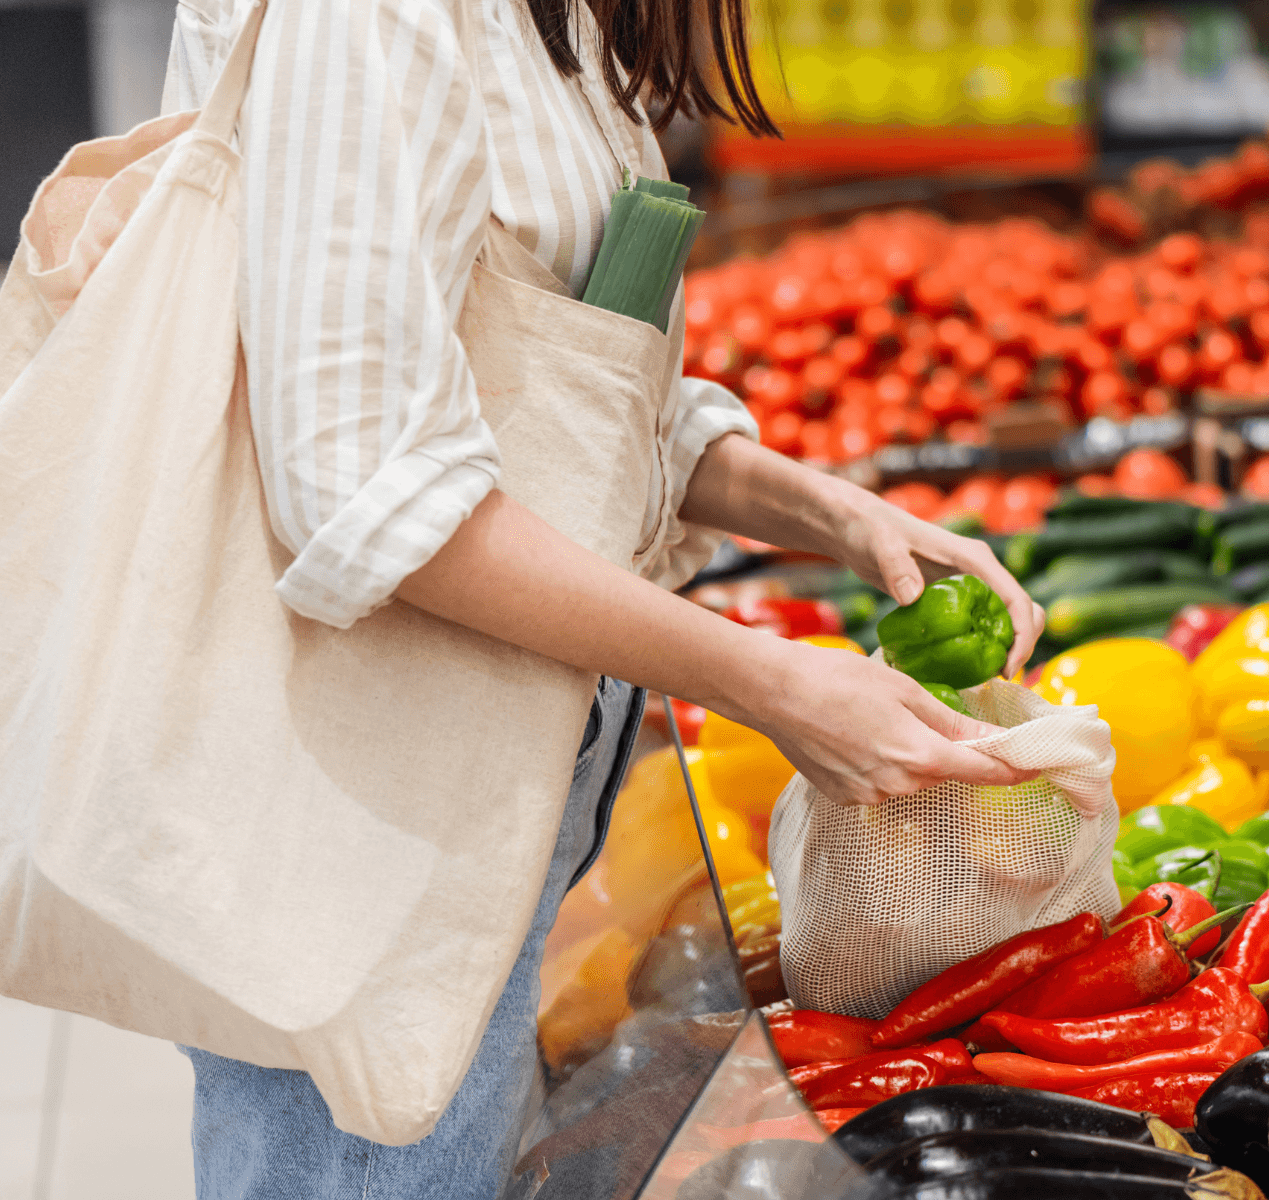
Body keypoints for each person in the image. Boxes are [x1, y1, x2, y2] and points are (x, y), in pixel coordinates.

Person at [159, 0, 1044, 1195]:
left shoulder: (551, 18)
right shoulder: (366, 16)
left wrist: (845, 516)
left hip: (480, 794)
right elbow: (366, 497)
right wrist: (765, 679)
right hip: (355, 822)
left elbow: (566, 389)